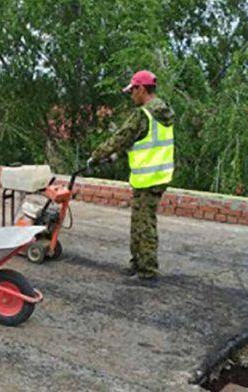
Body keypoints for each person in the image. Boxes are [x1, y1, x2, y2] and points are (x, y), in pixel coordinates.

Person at [87, 70, 175, 284]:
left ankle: (147, 272)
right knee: (139, 221)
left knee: (144, 224)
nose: (131, 95)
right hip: (158, 175)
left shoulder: (144, 114)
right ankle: (137, 263)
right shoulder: (163, 111)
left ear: (142, 89)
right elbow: (140, 141)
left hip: (148, 178)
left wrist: (97, 156)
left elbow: (120, 137)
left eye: (132, 90)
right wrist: (117, 156)